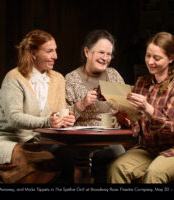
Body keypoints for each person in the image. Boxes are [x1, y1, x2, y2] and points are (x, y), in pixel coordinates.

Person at [0, 29, 75, 184]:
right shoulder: (14, 78)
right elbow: (14, 118)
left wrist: (64, 120)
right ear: (32, 53)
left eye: (55, 51)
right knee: (38, 164)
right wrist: (48, 122)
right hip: (2, 141)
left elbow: (57, 114)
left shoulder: (58, 79)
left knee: (65, 157)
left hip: (33, 142)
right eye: (49, 51)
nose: (55, 56)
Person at [107, 32, 174, 184]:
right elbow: (136, 129)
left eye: (157, 58)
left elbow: (172, 128)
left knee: (154, 173)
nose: (150, 62)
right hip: (152, 150)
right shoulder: (141, 83)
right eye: (148, 56)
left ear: (171, 58)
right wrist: (127, 119)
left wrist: (147, 108)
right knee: (116, 168)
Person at [65, 29, 126, 183]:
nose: (105, 58)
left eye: (108, 54)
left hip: (110, 139)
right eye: (101, 53)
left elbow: (126, 108)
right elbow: (64, 119)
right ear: (87, 52)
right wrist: (82, 103)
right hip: (81, 142)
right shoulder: (71, 79)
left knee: (116, 155)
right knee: (75, 159)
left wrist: (126, 113)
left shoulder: (113, 75)